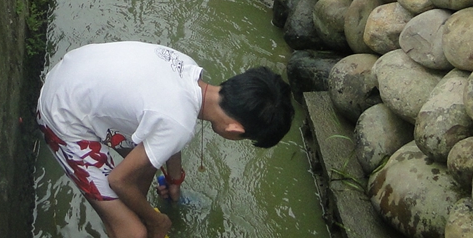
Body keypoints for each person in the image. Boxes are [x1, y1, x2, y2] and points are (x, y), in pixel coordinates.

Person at [38, 42, 293, 238]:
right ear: (235, 129)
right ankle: (119, 222)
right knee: (136, 232)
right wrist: (155, 221)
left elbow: (170, 130)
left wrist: (174, 180)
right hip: (61, 114)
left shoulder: (191, 72)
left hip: (73, 74)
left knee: (142, 174)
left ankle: (119, 215)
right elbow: (118, 180)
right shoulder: (179, 122)